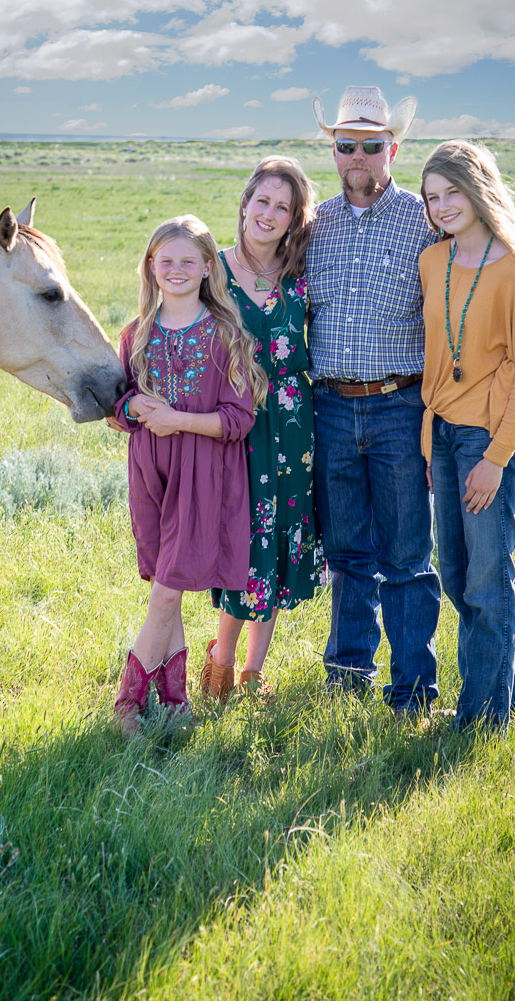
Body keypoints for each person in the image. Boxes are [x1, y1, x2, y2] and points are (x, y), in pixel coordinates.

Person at [307, 85, 442, 719]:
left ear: (392, 147)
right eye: (344, 144)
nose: (356, 155)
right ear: (333, 150)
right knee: (346, 553)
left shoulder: (426, 217)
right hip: (332, 406)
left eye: (369, 144)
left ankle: (413, 688)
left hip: (400, 404)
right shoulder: (315, 225)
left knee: (408, 553)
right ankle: (346, 676)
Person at [110, 215, 267, 735]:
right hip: (149, 473)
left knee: (169, 590)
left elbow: (238, 419)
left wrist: (178, 420)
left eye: (187, 261)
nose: (175, 269)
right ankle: (175, 701)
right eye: (165, 260)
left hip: (202, 476)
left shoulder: (225, 335)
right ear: (151, 268)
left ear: (206, 268)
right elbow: (117, 409)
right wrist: (134, 409)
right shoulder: (136, 334)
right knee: (163, 584)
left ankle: (127, 703)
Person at [419, 140, 515, 730]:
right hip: (444, 433)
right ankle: (507, 694)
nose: (443, 206)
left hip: (489, 439)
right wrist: (430, 444)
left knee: (487, 577)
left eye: (452, 192)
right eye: (432, 198)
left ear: (478, 191)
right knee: (455, 571)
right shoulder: (433, 262)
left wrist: (498, 458)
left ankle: (480, 718)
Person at [202, 156, 325, 702]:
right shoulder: (213, 270)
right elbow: (164, 320)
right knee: (242, 540)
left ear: (295, 217)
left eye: (283, 206)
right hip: (235, 425)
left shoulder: (302, 273)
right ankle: (220, 664)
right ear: (245, 204)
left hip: (294, 426)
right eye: (263, 201)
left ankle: (254, 672)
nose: (269, 214)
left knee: (276, 543)